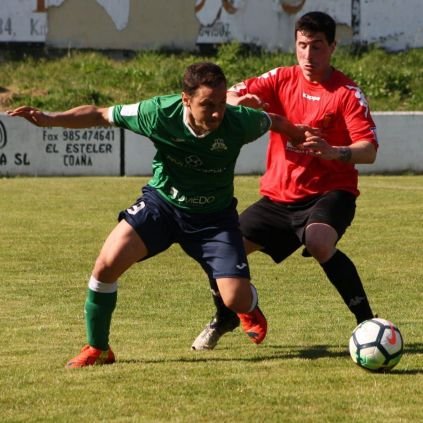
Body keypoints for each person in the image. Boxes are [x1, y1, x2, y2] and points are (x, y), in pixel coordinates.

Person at [8, 62, 311, 367]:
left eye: (221, 103)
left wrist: (297, 132)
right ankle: (98, 348)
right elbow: (101, 113)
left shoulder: (239, 121)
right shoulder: (157, 113)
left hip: (214, 219)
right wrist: (51, 119)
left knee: (236, 299)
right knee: (106, 264)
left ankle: (248, 305)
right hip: (163, 206)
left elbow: (272, 121)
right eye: (207, 105)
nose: (218, 113)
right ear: (185, 99)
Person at [191, 12, 379, 351]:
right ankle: (227, 315)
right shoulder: (280, 78)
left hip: (330, 193)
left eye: (317, 47)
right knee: (217, 251)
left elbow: (368, 150)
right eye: (302, 46)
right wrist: (240, 103)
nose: (308, 55)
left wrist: (333, 151)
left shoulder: (347, 93)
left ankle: (368, 323)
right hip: (278, 198)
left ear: (333, 47)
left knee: (320, 241)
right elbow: (230, 94)